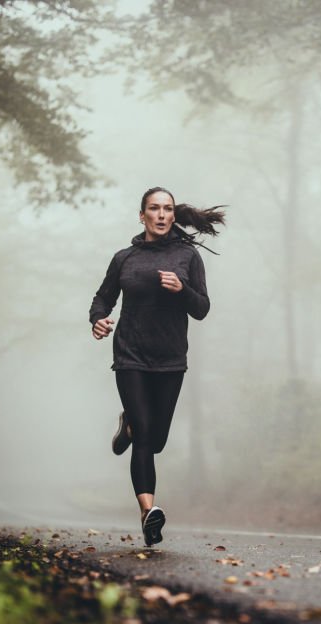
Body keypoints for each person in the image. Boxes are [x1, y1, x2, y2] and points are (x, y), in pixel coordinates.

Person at [89, 187, 224, 546]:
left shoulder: (187, 256)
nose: (161, 215)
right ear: (142, 215)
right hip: (130, 355)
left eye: (167, 209)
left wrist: (181, 289)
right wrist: (99, 320)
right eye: (154, 208)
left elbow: (202, 308)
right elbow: (103, 298)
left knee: (157, 439)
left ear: (173, 215)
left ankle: (128, 425)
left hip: (170, 358)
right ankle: (148, 512)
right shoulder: (124, 258)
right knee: (147, 436)